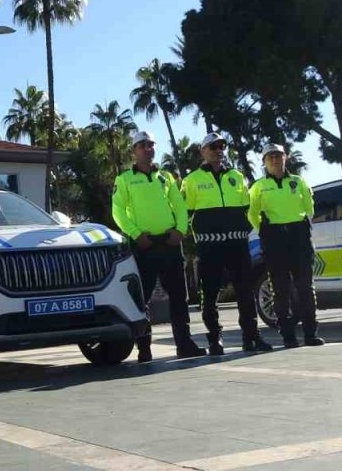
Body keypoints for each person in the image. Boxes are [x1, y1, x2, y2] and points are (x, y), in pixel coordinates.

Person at [111, 131, 207, 362]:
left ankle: (184, 344)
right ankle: (144, 348)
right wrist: (135, 234)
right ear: (134, 151)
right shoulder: (124, 179)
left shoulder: (166, 177)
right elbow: (118, 211)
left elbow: (180, 206)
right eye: (142, 145)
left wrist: (180, 230)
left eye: (151, 145)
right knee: (141, 298)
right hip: (144, 245)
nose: (148, 149)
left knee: (179, 297)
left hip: (170, 244)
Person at [181, 132, 273, 355]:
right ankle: (214, 339)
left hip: (237, 244)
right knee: (210, 294)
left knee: (245, 291)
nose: (218, 150)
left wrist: (250, 230)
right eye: (213, 147)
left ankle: (251, 337)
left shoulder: (237, 176)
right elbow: (186, 212)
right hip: (209, 246)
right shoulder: (191, 180)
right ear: (203, 151)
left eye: (222, 146)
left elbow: (246, 207)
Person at [248, 143, 324, 348]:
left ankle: (310, 333)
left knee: (305, 288)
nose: (275, 160)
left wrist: (301, 226)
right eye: (270, 157)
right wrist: (264, 230)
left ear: (285, 157)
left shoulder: (298, 182)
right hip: (274, 239)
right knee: (280, 290)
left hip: (299, 237)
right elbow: (252, 213)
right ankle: (288, 336)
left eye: (278, 156)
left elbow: (309, 208)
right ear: (264, 162)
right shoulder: (258, 186)